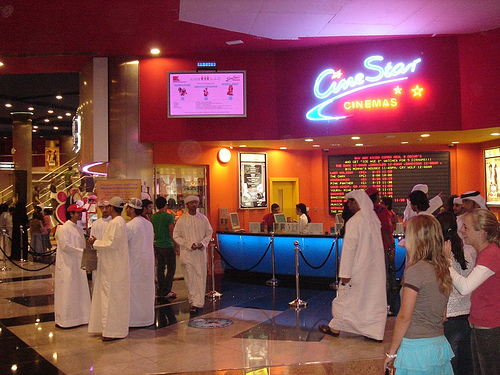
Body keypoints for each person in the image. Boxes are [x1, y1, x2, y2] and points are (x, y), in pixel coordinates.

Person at [384, 215, 454, 374]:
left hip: (416, 347)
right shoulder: (442, 268)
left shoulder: (416, 271)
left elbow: (404, 316)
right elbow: (443, 314)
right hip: (438, 345)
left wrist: (391, 352)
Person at [318, 190, 386, 341]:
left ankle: (335, 328)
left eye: (350, 202)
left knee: (345, 298)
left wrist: (345, 274)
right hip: (375, 271)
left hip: (358, 269)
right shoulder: (373, 219)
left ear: (357, 202)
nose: (348, 205)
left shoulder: (355, 221)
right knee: (371, 301)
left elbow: (349, 250)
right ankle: (374, 332)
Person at [445, 209, 500, 375]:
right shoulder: (485, 252)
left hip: (489, 327)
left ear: (481, 232)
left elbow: (465, 287)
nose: (461, 231)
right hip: (481, 325)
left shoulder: (491, 254)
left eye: (466, 227)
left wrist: (446, 263)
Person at [435, 211, 474, 375]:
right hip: (466, 317)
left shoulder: (439, 257)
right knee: (465, 366)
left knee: (449, 368)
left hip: (448, 318)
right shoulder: (466, 253)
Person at [87, 197, 130, 341]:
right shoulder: (117, 222)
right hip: (110, 266)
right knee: (109, 298)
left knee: (111, 299)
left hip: (113, 269)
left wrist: (95, 242)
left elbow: (112, 244)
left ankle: (112, 331)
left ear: (112, 207)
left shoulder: (117, 223)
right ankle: (106, 328)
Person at [173, 195, 213, 315]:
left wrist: (203, 243)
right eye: (191, 203)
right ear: (187, 205)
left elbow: (209, 233)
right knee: (190, 278)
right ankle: (193, 302)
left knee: (200, 277)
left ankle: (199, 302)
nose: (194, 205)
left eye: (196, 203)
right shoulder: (182, 220)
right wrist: (188, 244)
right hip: (188, 254)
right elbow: (176, 236)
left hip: (200, 255)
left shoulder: (203, 219)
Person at [54, 204, 91, 328]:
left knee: (79, 289)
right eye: (77, 213)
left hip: (78, 265)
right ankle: (66, 319)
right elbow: (66, 247)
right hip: (67, 265)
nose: (80, 215)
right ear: (71, 214)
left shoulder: (78, 229)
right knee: (68, 291)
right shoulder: (64, 229)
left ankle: (82, 316)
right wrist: (81, 252)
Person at [125, 198, 155, 327]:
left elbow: (123, 244)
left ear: (132, 209)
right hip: (147, 264)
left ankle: (135, 320)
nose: (126, 210)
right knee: (147, 292)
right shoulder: (148, 223)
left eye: (128, 207)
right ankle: (147, 317)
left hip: (134, 264)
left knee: (135, 292)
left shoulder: (130, 226)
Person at [151, 196, 178, 300]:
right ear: (165, 205)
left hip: (158, 245)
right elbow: (172, 233)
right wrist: (176, 246)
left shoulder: (153, 217)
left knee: (160, 268)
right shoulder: (169, 217)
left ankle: (161, 289)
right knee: (171, 269)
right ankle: (167, 290)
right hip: (168, 245)